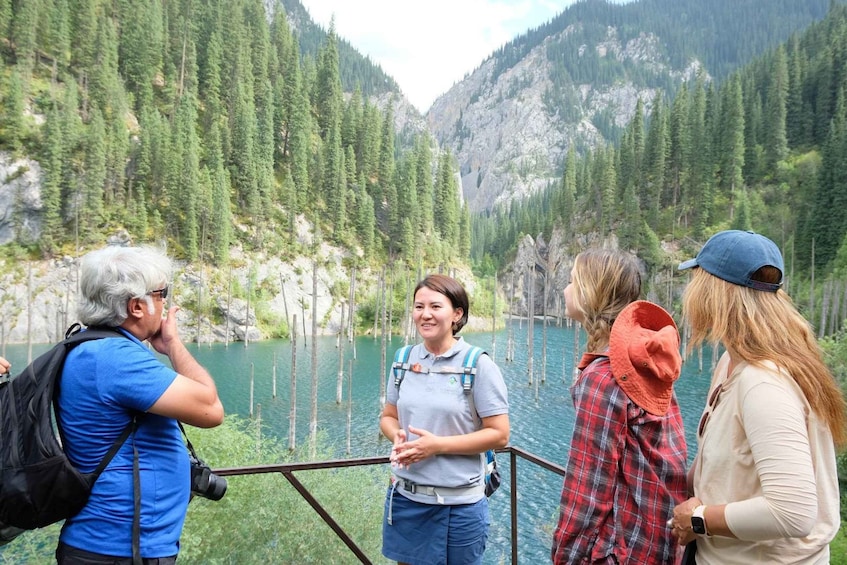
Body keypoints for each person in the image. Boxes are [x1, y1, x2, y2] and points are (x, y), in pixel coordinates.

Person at [671, 230, 846, 564]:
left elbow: (793, 512)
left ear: (713, 291)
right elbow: (728, 461)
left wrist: (699, 519)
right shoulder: (732, 363)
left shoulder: (763, 383)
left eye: (696, 279)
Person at [55, 245, 225, 564]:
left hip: (115, 546)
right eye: (162, 294)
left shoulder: (92, 349)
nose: (165, 304)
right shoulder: (114, 359)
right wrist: (173, 345)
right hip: (119, 549)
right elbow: (211, 408)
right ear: (136, 306)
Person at [551, 248, 688, 564]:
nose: (564, 290)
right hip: (657, 543)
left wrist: (565, 556)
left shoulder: (604, 378)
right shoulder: (643, 363)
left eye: (572, 282)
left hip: (620, 549)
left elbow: (587, 490)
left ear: (590, 294)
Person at [379, 274, 510, 565]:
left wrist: (436, 446)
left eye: (435, 306)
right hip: (406, 499)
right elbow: (388, 417)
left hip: (459, 507)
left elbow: (500, 435)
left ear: (457, 314)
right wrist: (397, 435)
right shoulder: (402, 360)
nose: (425, 314)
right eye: (418, 306)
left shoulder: (478, 365)